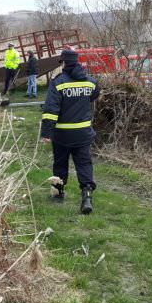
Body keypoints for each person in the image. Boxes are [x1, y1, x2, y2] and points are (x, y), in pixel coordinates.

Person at [41, 49, 100, 214]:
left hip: (62, 134)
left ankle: (58, 194)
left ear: (63, 62)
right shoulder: (90, 82)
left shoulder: (58, 83)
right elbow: (94, 95)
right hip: (83, 133)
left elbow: (51, 110)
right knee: (84, 164)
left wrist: (46, 132)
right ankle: (87, 197)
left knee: (60, 164)